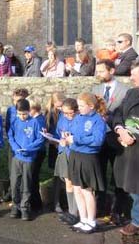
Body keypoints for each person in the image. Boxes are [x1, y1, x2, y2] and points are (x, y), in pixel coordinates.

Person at [92, 59, 129, 222]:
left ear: (112, 71)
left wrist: (110, 118)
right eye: (97, 71)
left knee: (118, 175)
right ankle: (100, 207)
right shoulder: (96, 89)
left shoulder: (125, 91)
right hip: (99, 140)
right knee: (99, 173)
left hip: (116, 140)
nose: (98, 74)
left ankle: (117, 210)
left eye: (101, 71)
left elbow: (126, 114)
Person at [65, 93, 106, 234]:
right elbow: (74, 133)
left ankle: (91, 221)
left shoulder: (98, 120)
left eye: (82, 106)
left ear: (91, 106)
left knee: (87, 191)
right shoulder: (78, 117)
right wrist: (67, 137)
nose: (79, 108)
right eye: (79, 105)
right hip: (75, 155)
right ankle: (83, 219)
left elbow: (98, 140)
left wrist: (76, 139)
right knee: (77, 189)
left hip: (88, 158)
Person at [112, 62, 139, 236]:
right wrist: (120, 129)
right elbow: (117, 113)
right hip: (128, 148)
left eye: (135, 75)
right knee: (132, 187)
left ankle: (136, 222)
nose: (131, 78)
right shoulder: (131, 93)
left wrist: (134, 134)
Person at [8, 98, 44, 221]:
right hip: (17, 157)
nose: (22, 116)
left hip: (29, 158)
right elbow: (10, 136)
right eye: (19, 114)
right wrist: (16, 147)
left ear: (29, 111)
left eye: (24, 114)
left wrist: (28, 148)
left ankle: (25, 207)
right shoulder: (15, 121)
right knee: (14, 183)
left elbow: (39, 139)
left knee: (27, 183)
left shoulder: (35, 123)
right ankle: (15, 205)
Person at [52, 98, 79, 226]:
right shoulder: (62, 118)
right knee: (67, 182)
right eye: (64, 113)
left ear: (76, 110)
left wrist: (70, 140)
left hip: (75, 154)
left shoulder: (79, 120)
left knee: (76, 184)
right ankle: (71, 211)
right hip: (64, 152)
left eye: (70, 113)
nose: (67, 115)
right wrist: (56, 138)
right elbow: (59, 133)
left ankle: (76, 212)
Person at [28, 97, 47, 212]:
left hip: (37, 152)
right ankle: (35, 202)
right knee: (33, 177)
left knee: (33, 177)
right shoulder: (39, 118)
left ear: (34, 108)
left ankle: (35, 203)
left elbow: (38, 138)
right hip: (37, 151)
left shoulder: (38, 120)